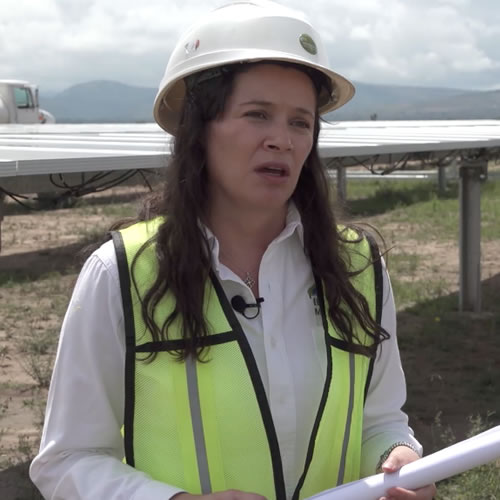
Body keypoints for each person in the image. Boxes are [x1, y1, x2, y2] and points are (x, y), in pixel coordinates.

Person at [30, 2, 436, 499]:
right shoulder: (122, 273)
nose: (281, 140)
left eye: (300, 122)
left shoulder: (357, 268)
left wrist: (396, 455)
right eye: (257, 115)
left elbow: (381, 417)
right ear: (198, 128)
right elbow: (67, 460)